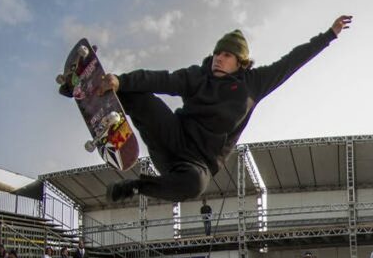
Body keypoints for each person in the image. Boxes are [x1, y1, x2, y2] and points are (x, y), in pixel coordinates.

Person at [101, 16, 353, 204]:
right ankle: (99, 93)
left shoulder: (254, 84)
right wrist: (120, 81)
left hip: (197, 164)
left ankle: (135, 187)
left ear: (240, 62)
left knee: (195, 185)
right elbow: (162, 79)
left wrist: (329, 35)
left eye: (226, 56)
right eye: (216, 54)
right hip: (173, 137)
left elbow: (291, 61)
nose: (218, 59)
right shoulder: (199, 76)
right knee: (138, 92)